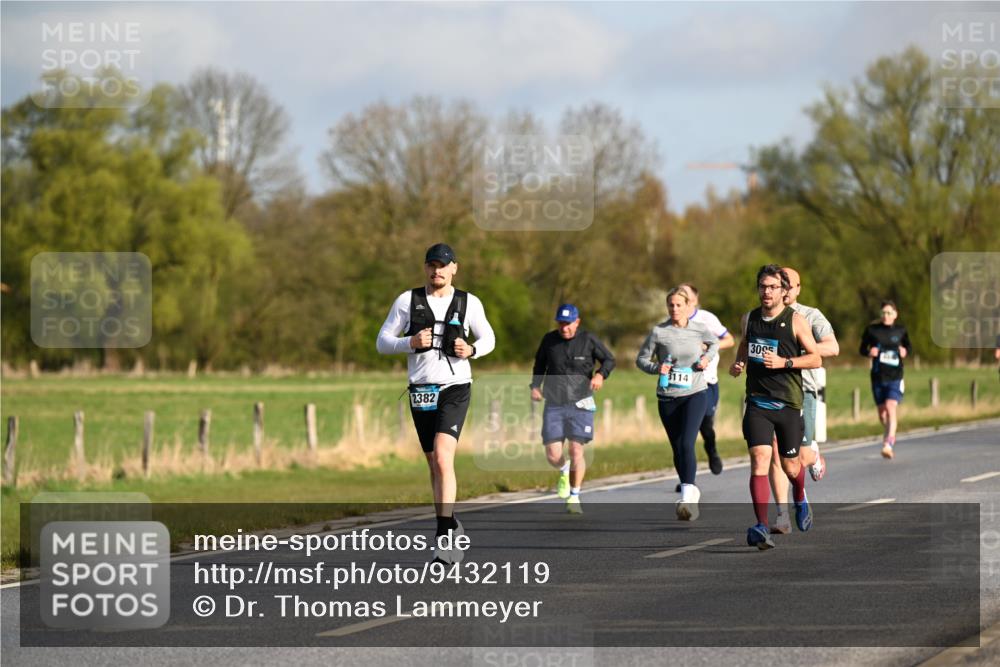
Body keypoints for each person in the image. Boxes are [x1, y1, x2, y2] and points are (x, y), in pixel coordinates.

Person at [376, 243, 496, 563]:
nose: (437, 271)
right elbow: (382, 341)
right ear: (425, 268)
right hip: (421, 389)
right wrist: (409, 342)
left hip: (456, 386)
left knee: (443, 458)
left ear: (454, 268)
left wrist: (471, 351)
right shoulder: (407, 300)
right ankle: (451, 523)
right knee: (433, 463)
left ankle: (444, 539)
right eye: (431, 265)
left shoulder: (468, 303)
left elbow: (489, 338)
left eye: (443, 265)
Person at [729, 264, 821, 549]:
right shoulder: (750, 319)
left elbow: (816, 358)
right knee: (759, 459)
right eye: (762, 287)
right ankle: (760, 525)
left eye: (772, 287)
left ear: (784, 292)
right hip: (757, 401)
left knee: (790, 467)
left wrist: (786, 363)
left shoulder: (796, 321)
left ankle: (800, 494)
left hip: (788, 404)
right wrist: (740, 362)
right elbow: (745, 344)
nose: (766, 292)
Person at [767, 268, 840, 534]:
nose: (783, 289)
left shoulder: (811, 315)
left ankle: (814, 457)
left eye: (789, 285)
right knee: (775, 453)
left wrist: (797, 348)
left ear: (798, 288)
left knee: (801, 456)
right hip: (770, 393)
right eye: (779, 284)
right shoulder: (765, 315)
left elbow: (833, 347)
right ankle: (781, 515)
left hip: (803, 392)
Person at [637, 287, 719, 521]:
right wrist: (656, 368)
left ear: (688, 307)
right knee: (677, 448)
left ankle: (687, 496)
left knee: (686, 443)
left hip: (695, 393)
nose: (674, 309)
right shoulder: (658, 332)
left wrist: (705, 359)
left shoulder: (699, 329)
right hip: (667, 396)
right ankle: (690, 488)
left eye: (679, 305)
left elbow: (713, 345)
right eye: (671, 305)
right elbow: (641, 360)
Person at [530, 304, 616, 514]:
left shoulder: (588, 339)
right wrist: (535, 386)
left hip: (581, 403)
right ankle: (563, 469)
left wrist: (599, 375)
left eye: (568, 324)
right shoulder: (549, 340)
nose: (564, 328)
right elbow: (539, 365)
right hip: (554, 403)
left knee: (576, 450)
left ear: (577, 322)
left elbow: (609, 359)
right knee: (552, 454)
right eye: (561, 323)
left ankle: (575, 496)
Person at [679, 284, 735, 477]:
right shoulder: (673, 321)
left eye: (685, 295)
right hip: (682, 383)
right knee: (686, 432)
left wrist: (708, 345)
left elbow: (729, 339)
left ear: (694, 300)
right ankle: (687, 478)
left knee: (705, 425)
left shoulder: (707, 319)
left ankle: (711, 451)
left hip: (707, 381)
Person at [859, 301, 911, 460]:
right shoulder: (872, 330)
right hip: (877, 376)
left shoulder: (901, 331)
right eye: (883, 313)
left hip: (895, 376)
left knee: (890, 407)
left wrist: (904, 351)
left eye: (889, 313)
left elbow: (909, 347)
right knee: (883, 415)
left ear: (895, 314)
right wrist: (870, 352)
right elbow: (862, 349)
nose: (886, 316)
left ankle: (888, 443)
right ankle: (889, 431)